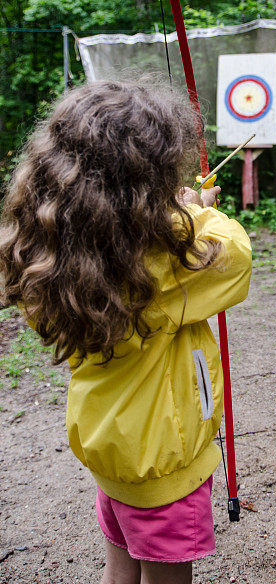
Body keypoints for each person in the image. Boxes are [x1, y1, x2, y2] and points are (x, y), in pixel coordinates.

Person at [0, 80, 252, 584]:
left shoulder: (57, 256)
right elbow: (236, 258)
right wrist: (196, 211)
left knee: (121, 569)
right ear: (145, 185)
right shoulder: (164, 261)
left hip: (112, 454)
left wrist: (169, 214)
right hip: (162, 468)